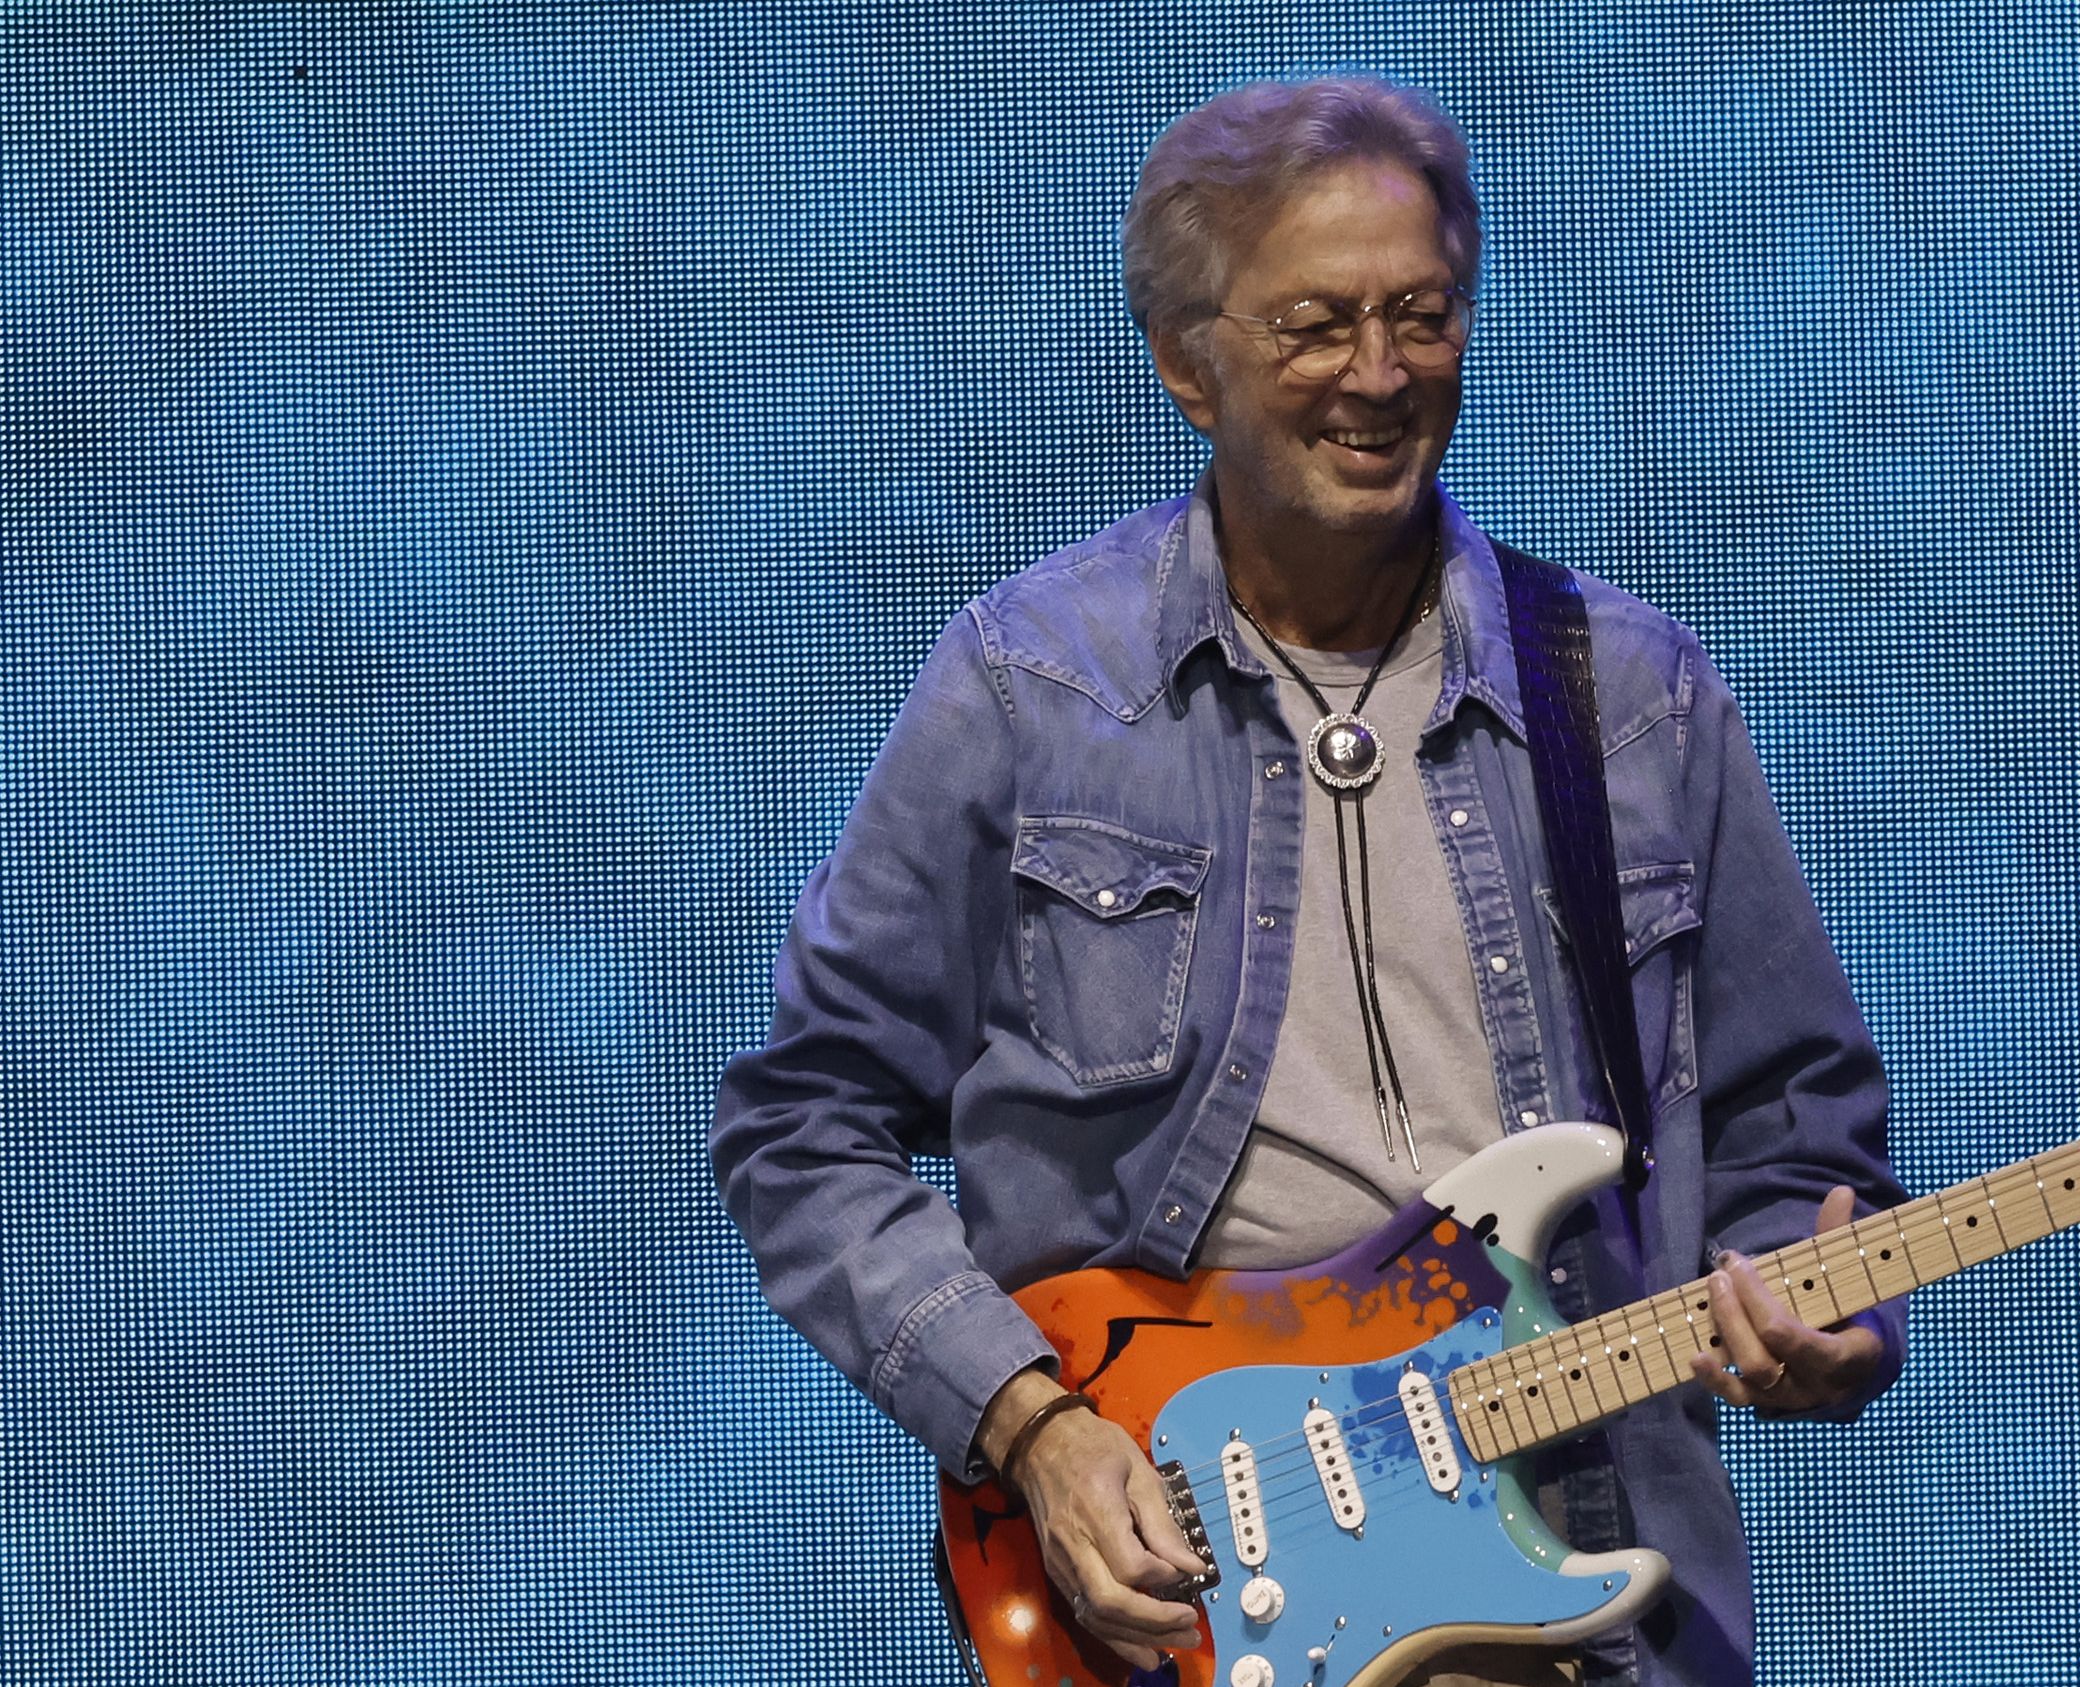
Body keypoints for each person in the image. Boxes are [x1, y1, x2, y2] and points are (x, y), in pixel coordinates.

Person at [712, 77, 1905, 1687]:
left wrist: (1827, 1314)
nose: (1380, 373)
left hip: (1593, 1594)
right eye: (1316, 325)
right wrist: (1032, 1424)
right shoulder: (1031, 688)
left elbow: (1794, 1133)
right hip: (1202, 1598)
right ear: (1184, 364)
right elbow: (801, 1124)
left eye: (1423, 314)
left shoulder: (1632, 695)